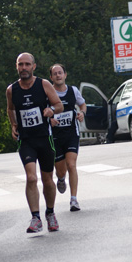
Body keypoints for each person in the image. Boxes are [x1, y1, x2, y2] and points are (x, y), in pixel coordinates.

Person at [6, 53, 63, 234]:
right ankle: (35, 218)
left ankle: (50, 213)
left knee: (47, 180)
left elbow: (59, 105)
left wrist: (51, 110)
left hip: (45, 139)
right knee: (31, 177)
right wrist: (13, 124)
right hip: (26, 140)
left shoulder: (43, 84)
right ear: (16, 67)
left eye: (27, 64)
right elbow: (10, 108)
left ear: (33, 66)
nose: (24, 68)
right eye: (20, 64)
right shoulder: (11, 90)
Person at [49, 63, 87, 212]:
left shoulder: (73, 91)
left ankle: (74, 200)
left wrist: (82, 113)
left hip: (71, 133)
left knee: (71, 165)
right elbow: (43, 111)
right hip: (55, 136)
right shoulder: (48, 92)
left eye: (60, 73)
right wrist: (50, 120)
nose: (58, 75)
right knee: (60, 170)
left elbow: (82, 105)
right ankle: (60, 179)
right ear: (51, 77)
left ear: (65, 75)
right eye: (55, 73)